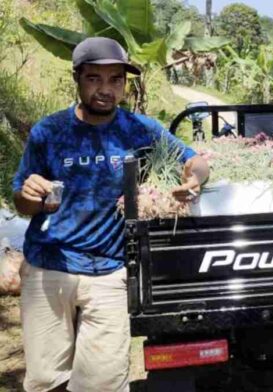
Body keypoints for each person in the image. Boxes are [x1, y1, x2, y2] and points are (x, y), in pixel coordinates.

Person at [13, 37, 209, 392]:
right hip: (48, 266)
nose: (106, 89)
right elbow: (21, 202)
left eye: (116, 80)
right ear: (77, 78)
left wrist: (192, 179)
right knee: (45, 381)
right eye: (94, 79)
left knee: (102, 382)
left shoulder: (139, 129)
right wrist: (29, 196)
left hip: (108, 270)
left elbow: (195, 161)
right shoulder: (49, 132)